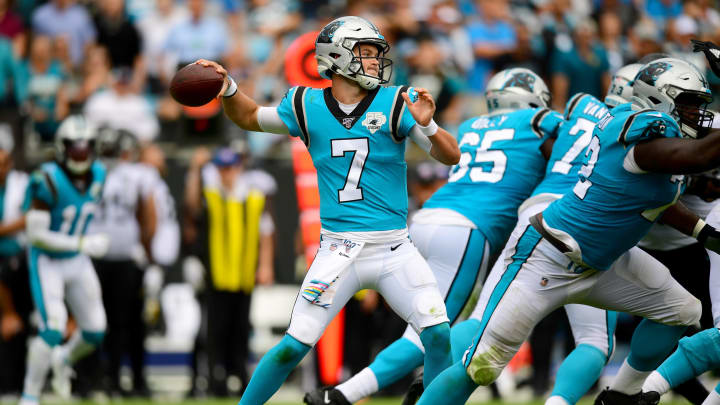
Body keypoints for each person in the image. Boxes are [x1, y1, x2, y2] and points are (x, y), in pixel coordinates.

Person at [416, 57, 718, 405]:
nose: (697, 112)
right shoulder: (641, 132)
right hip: (548, 255)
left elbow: (656, 203)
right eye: (690, 103)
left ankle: (621, 394)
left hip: (602, 261)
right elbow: (698, 155)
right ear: (658, 99)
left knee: (682, 311)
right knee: (480, 367)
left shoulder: (660, 141)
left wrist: (706, 235)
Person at [196, 15, 460, 404]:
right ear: (337, 57)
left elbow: (450, 156)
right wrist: (229, 87)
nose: (375, 62)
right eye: (366, 53)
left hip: (393, 248)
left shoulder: (396, 102)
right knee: (292, 346)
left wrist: (431, 126)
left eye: (375, 55)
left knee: (438, 335)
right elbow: (250, 116)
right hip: (339, 250)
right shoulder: (306, 103)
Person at [305, 67, 562, 405]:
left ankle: (422, 385)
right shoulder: (542, 123)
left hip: (427, 220)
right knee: (430, 332)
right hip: (467, 230)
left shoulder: (472, 126)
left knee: (447, 324)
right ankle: (344, 395)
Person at [19, 115, 110, 405]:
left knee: (95, 331)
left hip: (77, 260)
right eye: (75, 148)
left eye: (86, 148)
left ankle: (63, 358)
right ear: (62, 148)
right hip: (48, 261)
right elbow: (35, 236)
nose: (81, 154)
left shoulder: (99, 174)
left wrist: (81, 245)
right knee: (52, 328)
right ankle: (29, 397)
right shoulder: (46, 178)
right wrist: (82, 242)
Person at [183, 146, 275, 396]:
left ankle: (241, 379)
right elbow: (192, 206)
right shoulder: (212, 194)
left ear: (239, 167)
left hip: (244, 276)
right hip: (217, 276)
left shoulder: (253, 196)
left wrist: (265, 266)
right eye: (221, 169)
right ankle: (216, 382)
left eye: (230, 168)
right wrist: (195, 170)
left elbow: (266, 232)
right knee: (215, 332)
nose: (226, 174)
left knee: (241, 331)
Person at [86, 127, 157, 396]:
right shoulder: (88, 172)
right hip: (94, 258)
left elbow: (146, 213)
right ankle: (94, 380)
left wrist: (146, 252)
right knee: (93, 322)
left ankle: (126, 379)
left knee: (127, 323)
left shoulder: (135, 175)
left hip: (126, 259)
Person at [0, 133, 31, 396]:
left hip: (18, 260)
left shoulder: (22, 183)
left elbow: (30, 217)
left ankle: (17, 383)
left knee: (18, 323)